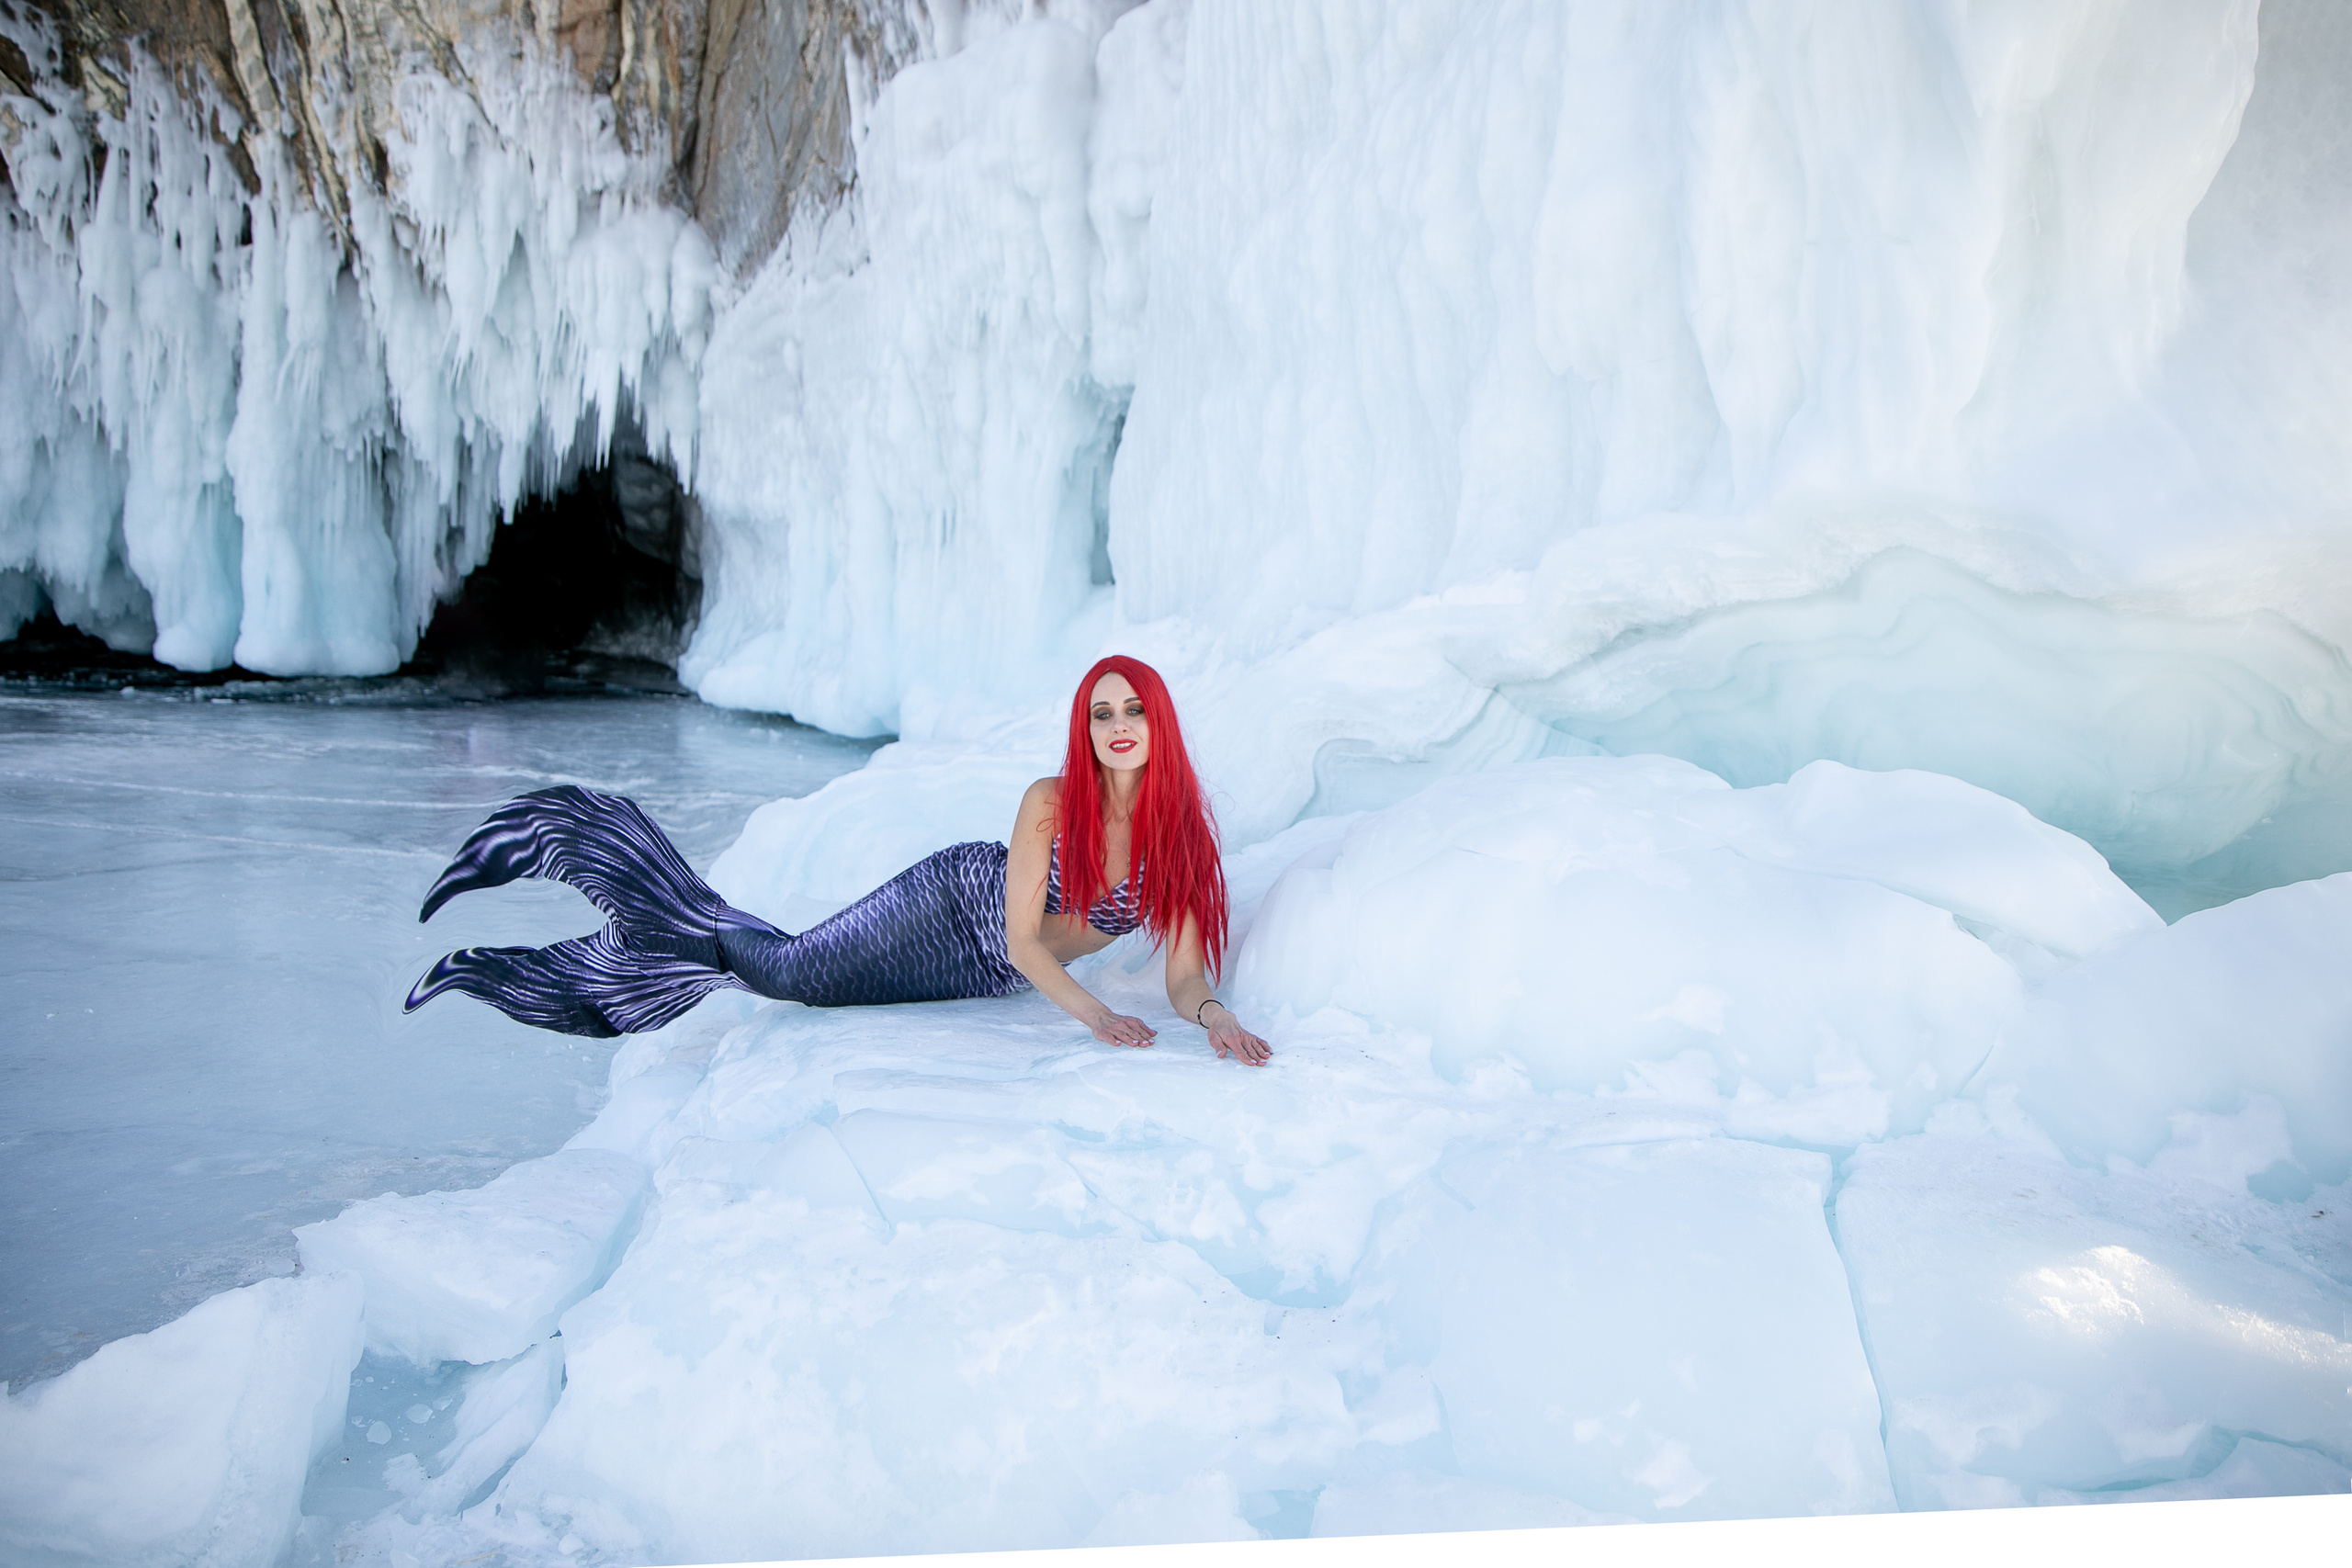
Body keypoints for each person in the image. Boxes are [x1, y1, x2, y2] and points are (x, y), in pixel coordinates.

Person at [405, 655, 1272, 1066]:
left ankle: (662, 936)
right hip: (950, 908)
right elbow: (1021, 941)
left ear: (1158, 721)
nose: (1118, 724)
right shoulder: (1050, 802)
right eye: (1100, 712)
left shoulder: (1183, 845)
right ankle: (635, 895)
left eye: (1134, 709)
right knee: (788, 972)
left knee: (787, 967)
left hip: (978, 977)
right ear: (1085, 730)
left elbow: (1186, 974)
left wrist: (1215, 1018)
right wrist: (1094, 1018)